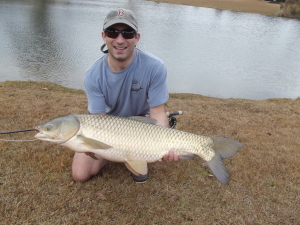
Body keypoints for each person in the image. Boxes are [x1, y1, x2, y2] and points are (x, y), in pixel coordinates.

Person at [72, 8, 179, 183]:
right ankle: (117, 153)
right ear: (103, 36)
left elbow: (158, 112)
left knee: (143, 169)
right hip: (109, 128)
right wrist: (94, 144)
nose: (120, 40)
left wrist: (164, 141)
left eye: (127, 33)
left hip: (141, 126)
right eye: (112, 32)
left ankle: (134, 155)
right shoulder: (93, 74)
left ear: (137, 38)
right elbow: (98, 120)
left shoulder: (155, 67)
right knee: (80, 174)